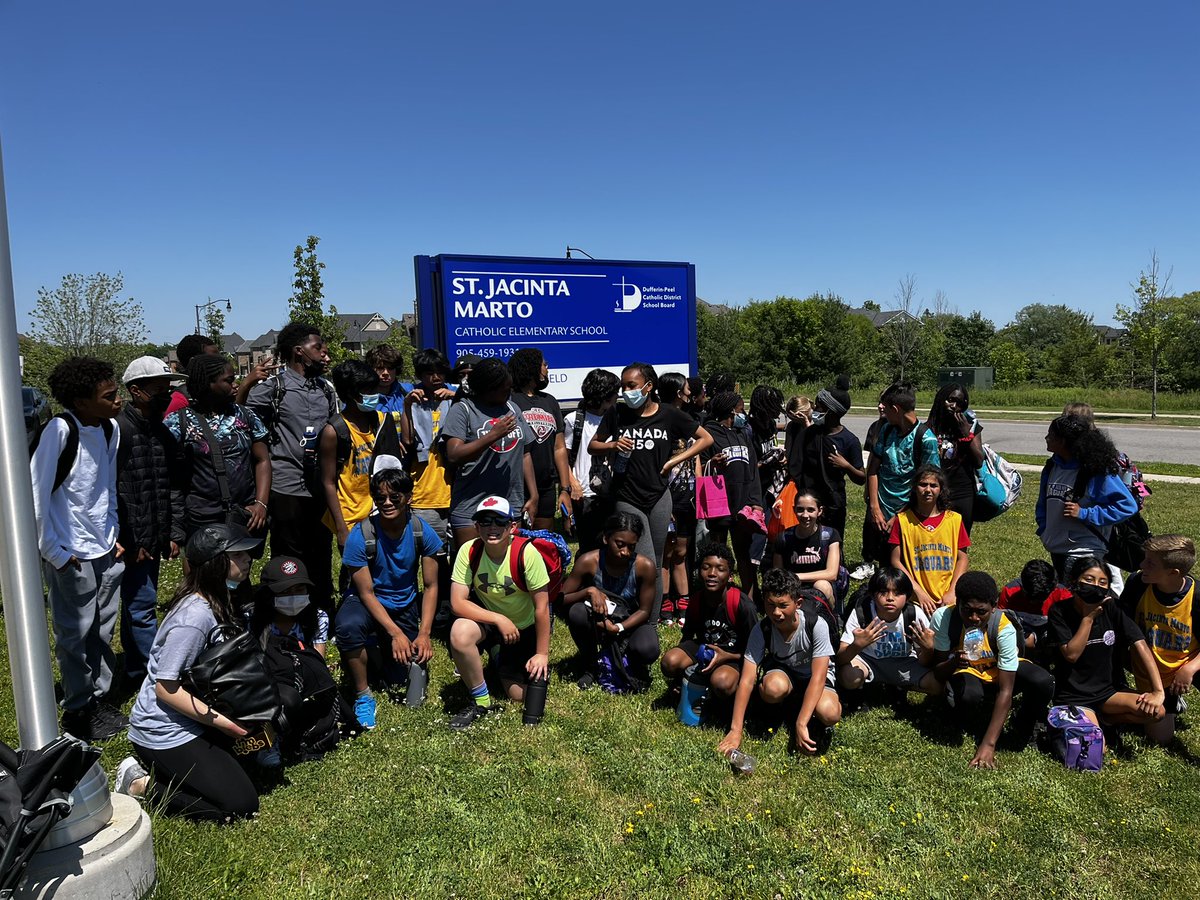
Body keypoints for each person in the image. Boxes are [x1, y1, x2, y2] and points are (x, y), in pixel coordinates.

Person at [114, 523, 263, 822]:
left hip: (197, 714)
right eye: (239, 554)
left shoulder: (219, 599)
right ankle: (138, 782)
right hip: (165, 730)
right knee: (240, 806)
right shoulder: (194, 618)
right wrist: (227, 726)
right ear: (217, 563)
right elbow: (165, 688)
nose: (249, 558)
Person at [32, 357, 127, 741]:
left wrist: (114, 530)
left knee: (103, 629)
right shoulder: (60, 430)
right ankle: (77, 708)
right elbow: (36, 496)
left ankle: (98, 699)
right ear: (81, 401)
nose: (118, 400)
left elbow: (107, 486)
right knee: (74, 635)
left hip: (104, 546)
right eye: (109, 396)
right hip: (70, 551)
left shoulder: (110, 430)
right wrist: (53, 551)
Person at [591, 363, 712, 622]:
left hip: (659, 496)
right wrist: (613, 444)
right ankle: (633, 614)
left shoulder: (669, 414)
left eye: (631, 386)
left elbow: (705, 439)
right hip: (627, 496)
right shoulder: (616, 413)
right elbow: (593, 446)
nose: (626, 391)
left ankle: (651, 621)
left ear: (649, 386)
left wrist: (673, 461)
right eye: (623, 386)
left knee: (656, 562)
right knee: (641, 558)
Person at [334, 467, 442, 729]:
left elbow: (430, 586)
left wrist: (424, 633)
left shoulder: (422, 532)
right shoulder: (361, 536)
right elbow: (365, 592)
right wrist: (395, 633)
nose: (387, 503)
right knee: (347, 627)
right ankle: (363, 695)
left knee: (399, 679)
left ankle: (375, 649)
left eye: (394, 497)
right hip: (366, 603)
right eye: (380, 498)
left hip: (404, 604)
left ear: (408, 497)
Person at [246, 322, 338, 614]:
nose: (324, 354)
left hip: (319, 488)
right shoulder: (274, 388)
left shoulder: (326, 389)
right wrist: (248, 383)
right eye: (318, 348)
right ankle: (286, 613)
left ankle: (320, 612)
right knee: (289, 555)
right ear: (299, 352)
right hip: (286, 486)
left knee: (321, 552)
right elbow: (240, 417)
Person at [930, 572, 1055, 769]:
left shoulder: (1004, 628)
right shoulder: (944, 618)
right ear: (958, 603)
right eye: (967, 610)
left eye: (981, 612)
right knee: (969, 695)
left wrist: (988, 745)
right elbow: (938, 672)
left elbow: (1006, 689)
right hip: (966, 671)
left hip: (998, 672)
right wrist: (954, 663)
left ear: (994, 606)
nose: (974, 618)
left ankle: (1024, 721)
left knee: (1043, 681)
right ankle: (961, 716)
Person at [447, 496, 551, 729]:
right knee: (459, 633)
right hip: (488, 620)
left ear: (512, 527)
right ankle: (481, 701)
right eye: (484, 521)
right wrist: (498, 619)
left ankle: (497, 657)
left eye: (499, 521)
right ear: (476, 526)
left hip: (523, 628)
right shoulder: (469, 551)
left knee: (517, 695)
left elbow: (542, 607)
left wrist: (542, 653)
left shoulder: (527, 554)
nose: (492, 528)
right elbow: (457, 602)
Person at [718, 568, 841, 758]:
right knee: (772, 688)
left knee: (830, 713)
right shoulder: (762, 629)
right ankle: (785, 707)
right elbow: (747, 679)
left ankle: (808, 721)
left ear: (798, 603)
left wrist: (800, 723)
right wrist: (736, 729)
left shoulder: (816, 625)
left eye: (783, 605)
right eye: (770, 605)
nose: (776, 613)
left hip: (813, 678)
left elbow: (818, 677)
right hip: (785, 674)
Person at [115, 357, 185, 689]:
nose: (167, 396)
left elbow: (171, 486)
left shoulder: (161, 433)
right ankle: (150, 674)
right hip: (129, 540)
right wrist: (132, 540)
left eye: (169, 390)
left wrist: (171, 532)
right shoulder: (119, 432)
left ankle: (135, 668)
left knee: (139, 603)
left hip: (155, 536)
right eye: (159, 390)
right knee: (141, 606)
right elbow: (117, 493)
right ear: (136, 391)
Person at [1047, 556, 1164, 749]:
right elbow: (1071, 654)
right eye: (1089, 579)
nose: (1096, 585)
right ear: (1074, 582)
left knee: (1156, 711)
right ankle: (1083, 724)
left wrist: (1157, 691)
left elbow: (1139, 642)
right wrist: (1089, 617)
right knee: (1096, 750)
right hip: (1074, 695)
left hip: (1108, 693)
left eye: (1103, 582)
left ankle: (1106, 720)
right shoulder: (1059, 611)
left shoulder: (1113, 608)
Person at [165, 355, 271, 543]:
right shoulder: (178, 422)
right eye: (228, 381)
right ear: (207, 383)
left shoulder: (246, 415)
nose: (235, 384)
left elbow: (262, 460)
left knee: (240, 569)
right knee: (202, 569)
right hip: (201, 516)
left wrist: (260, 503)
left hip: (243, 514)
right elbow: (170, 474)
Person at [440, 358, 538, 550]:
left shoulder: (512, 409)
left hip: (510, 504)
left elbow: (525, 454)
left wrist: (533, 495)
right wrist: (493, 435)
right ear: (488, 388)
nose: (509, 392)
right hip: (471, 506)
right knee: (471, 569)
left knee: (508, 569)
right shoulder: (463, 410)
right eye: (504, 389)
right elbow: (454, 454)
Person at [1036, 414, 1137, 593]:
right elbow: (1043, 503)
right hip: (1056, 546)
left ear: (1065, 441)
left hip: (1084, 550)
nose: (1046, 438)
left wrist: (1085, 513)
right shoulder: (1052, 467)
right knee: (1069, 599)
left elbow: (1127, 506)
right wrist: (1044, 528)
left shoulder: (1094, 472)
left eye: (1051, 435)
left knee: (1082, 600)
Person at [560, 512, 659, 690]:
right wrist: (588, 591)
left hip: (630, 623)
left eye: (631, 546)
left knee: (649, 649)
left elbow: (645, 611)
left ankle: (630, 661)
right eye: (620, 545)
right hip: (597, 621)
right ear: (606, 538)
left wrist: (619, 627)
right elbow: (561, 598)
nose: (625, 552)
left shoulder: (645, 566)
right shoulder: (589, 561)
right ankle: (591, 665)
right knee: (577, 613)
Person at [1120, 534, 1200, 744]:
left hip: (1187, 663)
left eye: (1150, 563)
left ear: (1173, 573)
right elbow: (1123, 625)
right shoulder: (1138, 583)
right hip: (1149, 667)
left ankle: (1173, 694)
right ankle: (1169, 700)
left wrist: (1189, 669)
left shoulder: (1197, 595)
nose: (1141, 565)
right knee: (1160, 739)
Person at [400, 348, 456, 630]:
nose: (434, 378)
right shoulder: (413, 399)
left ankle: (451, 606)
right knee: (430, 557)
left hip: (455, 492)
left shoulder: (457, 395)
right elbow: (408, 442)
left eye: (438, 372)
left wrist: (458, 399)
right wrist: (407, 407)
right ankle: (433, 611)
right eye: (427, 373)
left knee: (456, 557)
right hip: (423, 494)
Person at [319, 359, 401, 553]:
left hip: (382, 512)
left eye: (375, 390)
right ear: (350, 394)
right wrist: (341, 529)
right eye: (368, 392)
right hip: (352, 518)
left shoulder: (382, 421)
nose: (374, 396)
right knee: (355, 578)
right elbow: (328, 482)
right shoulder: (334, 431)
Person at [660, 542, 758, 701]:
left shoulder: (743, 605)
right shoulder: (696, 601)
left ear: (730, 576)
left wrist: (726, 656)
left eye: (720, 569)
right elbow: (687, 638)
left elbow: (755, 651)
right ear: (699, 572)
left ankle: (720, 697)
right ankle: (692, 683)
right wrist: (679, 677)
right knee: (670, 662)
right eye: (706, 567)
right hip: (705, 650)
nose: (712, 573)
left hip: (734, 656)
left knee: (721, 682)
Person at [865, 381, 940, 568]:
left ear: (896, 409)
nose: (883, 411)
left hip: (908, 513)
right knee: (884, 565)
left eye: (886, 408)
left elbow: (928, 484)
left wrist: (901, 515)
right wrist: (874, 506)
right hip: (881, 511)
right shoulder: (886, 430)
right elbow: (873, 468)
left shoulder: (926, 438)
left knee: (904, 565)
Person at [836, 567, 941, 698]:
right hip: (868, 661)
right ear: (873, 595)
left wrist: (928, 649)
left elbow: (924, 662)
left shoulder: (914, 614)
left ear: (907, 596)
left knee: (936, 685)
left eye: (897, 593)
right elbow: (840, 659)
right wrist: (857, 645)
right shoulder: (862, 611)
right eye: (883, 592)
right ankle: (869, 687)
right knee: (849, 677)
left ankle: (898, 684)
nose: (890, 598)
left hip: (904, 662)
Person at [700, 391, 764, 598]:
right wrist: (712, 463)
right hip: (718, 502)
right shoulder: (708, 434)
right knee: (718, 553)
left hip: (742, 503)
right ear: (730, 411)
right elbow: (699, 466)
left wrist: (756, 502)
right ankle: (715, 597)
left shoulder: (742, 435)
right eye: (740, 409)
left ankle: (750, 599)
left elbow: (753, 471)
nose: (743, 413)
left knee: (743, 553)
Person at [889, 464, 971, 614]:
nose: (928, 490)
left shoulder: (954, 520)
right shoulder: (902, 520)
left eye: (933, 485)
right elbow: (895, 561)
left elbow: (963, 559)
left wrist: (952, 591)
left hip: (947, 598)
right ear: (915, 488)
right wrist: (918, 591)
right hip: (916, 600)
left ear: (941, 490)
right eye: (923, 484)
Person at [507, 348, 573, 531]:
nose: (547, 367)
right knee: (517, 544)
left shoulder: (550, 401)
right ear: (531, 367)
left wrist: (565, 489)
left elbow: (559, 448)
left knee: (543, 544)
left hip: (546, 486)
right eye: (544, 364)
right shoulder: (509, 400)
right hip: (516, 487)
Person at [791, 383, 863, 541]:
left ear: (832, 411)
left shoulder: (849, 440)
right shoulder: (809, 434)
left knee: (832, 542)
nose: (815, 408)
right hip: (809, 502)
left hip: (833, 504)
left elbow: (861, 478)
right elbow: (796, 465)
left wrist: (846, 466)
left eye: (820, 406)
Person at [563, 368, 620, 555]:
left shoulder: (616, 418)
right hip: (586, 493)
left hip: (612, 491)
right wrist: (573, 484)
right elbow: (563, 456)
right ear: (605, 394)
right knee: (590, 546)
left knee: (613, 544)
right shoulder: (574, 420)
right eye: (614, 392)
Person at [659, 371, 699, 625]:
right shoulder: (660, 420)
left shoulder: (688, 419)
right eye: (686, 388)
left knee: (682, 551)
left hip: (687, 495)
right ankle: (664, 600)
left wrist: (699, 485)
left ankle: (683, 600)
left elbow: (697, 455)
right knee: (666, 550)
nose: (689, 392)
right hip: (665, 493)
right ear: (676, 392)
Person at [925, 383, 985, 534]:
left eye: (959, 403)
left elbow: (978, 461)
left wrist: (966, 435)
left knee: (960, 540)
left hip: (962, 491)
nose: (954, 406)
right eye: (950, 400)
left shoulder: (970, 427)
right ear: (941, 399)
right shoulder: (927, 428)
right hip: (935, 491)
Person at [772, 489, 848, 606]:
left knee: (822, 585)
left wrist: (796, 576)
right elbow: (779, 573)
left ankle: (831, 617)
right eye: (800, 509)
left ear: (819, 511)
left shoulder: (830, 535)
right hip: (792, 587)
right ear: (794, 510)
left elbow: (831, 574)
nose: (805, 515)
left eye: (811, 510)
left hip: (819, 586)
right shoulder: (783, 538)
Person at [250, 555, 327, 655]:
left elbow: (318, 662)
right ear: (267, 594)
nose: (293, 596)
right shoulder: (250, 618)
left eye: (299, 590)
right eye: (284, 592)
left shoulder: (318, 618)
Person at [748, 385, 786, 575]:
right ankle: (752, 566)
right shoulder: (749, 430)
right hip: (756, 488)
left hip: (772, 486)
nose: (775, 412)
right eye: (772, 407)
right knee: (757, 532)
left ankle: (768, 562)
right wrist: (766, 463)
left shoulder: (770, 425)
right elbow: (748, 467)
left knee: (772, 527)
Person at [998, 559, 1072, 654]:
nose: (1034, 603)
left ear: (1053, 588)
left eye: (1041, 598)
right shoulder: (1010, 592)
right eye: (1029, 597)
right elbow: (1001, 622)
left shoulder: (1063, 595)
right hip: (1023, 629)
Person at [164, 334, 219, 416]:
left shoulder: (218, 394)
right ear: (194, 363)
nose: (221, 362)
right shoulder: (179, 402)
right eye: (213, 359)